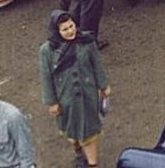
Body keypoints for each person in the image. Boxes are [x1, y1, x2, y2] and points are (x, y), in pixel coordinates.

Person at [38, 11, 111, 168]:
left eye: (71, 26)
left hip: (88, 96)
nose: (70, 31)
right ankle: (79, 153)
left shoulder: (87, 41)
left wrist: (104, 86)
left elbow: (97, 65)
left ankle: (92, 164)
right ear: (56, 31)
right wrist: (52, 102)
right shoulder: (47, 51)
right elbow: (46, 77)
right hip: (66, 99)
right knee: (71, 129)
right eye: (64, 29)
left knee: (89, 131)